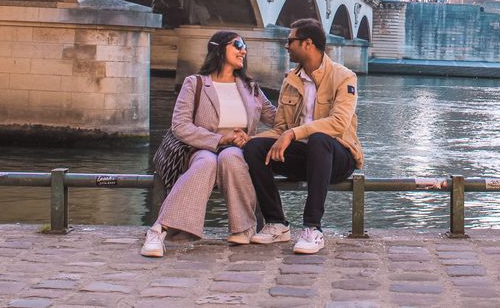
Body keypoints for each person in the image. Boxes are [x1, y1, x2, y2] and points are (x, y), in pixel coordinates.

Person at [141, 30, 276, 258]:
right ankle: (159, 230)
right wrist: (219, 139)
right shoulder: (195, 83)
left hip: (239, 152)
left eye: (244, 46)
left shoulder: (250, 87)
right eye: (238, 44)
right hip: (200, 149)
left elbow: (278, 120)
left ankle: (243, 228)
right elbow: (180, 126)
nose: (244, 50)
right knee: (207, 162)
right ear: (219, 48)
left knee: (230, 156)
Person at [244, 18, 363, 254]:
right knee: (254, 149)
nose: (286, 46)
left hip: (338, 156)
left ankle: (312, 228)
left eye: (291, 41)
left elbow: (339, 123)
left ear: (307, 43)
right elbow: (280, 128)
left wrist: (293, 133)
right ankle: (276, 223)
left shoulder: (344, 77)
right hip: (305, 157)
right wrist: (252, 140)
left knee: (319, 139)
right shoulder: (291, 80)